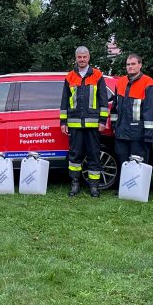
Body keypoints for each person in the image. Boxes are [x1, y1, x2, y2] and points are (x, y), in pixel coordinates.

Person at [60, 46, 109, 198]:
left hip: (93, 125)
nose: (82, 59)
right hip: (74, 124)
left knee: (94, 155)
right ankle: (75, 184)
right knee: (75, 155)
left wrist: (102, 121)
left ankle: (94, 186)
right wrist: (63, 122)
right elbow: (64, 102)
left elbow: (103, 100)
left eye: (84, 57)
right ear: (76, 58)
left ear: (89, 57)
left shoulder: (97, 75)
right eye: (79, 57)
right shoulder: (70, 77)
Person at [110, 53, 153, 169]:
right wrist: (115, 126)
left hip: (138, 134)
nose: (130, 66)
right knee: (123, 165)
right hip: (121, 133)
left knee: (139, 166)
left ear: (140, 65)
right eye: (128, 64)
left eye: (133, 64)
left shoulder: (148, 83)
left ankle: (140, 188)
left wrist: (148, 135)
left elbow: (150, 111)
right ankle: (125, 187)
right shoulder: (120, 82)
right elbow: (115, 108)